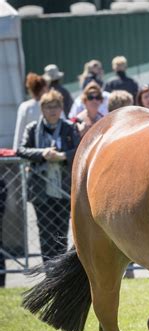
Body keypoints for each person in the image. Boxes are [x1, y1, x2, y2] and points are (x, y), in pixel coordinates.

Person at [16, 90, 80, 263]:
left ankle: (59, 272)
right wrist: (43, 153)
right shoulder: (32, 129)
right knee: (45, 232)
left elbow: (79, 148)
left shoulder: (69, 127)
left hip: (63, 188)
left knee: (61, 232)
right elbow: (21, 150)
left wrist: (63, 156)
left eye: (56, 106)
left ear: (61, 108)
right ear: (42, 109)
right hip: (40, 189)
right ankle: (48, 272)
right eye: (48, 107)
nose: (52, 110)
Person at [13, 73, 48, 150]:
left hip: (29, 151)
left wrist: (16, 150)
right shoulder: (51, 105)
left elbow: (19, 132)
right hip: (47, 151)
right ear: (43, 89)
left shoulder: (24, 107)